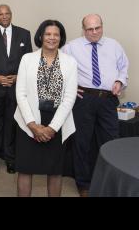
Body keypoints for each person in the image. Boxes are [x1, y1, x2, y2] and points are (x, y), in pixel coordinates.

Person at [63, 14, 129, 197]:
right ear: (83, 29)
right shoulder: (71, 47)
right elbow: (60, 69)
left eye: (97, 28)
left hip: (108, 99)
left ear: (102, 26)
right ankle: (83, 184)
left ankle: (111, 182)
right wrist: (69, 87)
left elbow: (124, 67)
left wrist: (119, 81)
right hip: (84, 99)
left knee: (111, 141)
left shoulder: (114, 45)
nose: (94, 32)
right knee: (81, 143)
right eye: (90, 29)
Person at [14, 20, 77, 197]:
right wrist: (33, 125)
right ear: (41, 36)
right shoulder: (27, 59)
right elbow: (21, 93)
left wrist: (52, 128)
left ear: (61, 37)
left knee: (55, 171)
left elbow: (69, 98)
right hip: (29, 120)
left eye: (56, 34)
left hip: (57, 121)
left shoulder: (70, 62)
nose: (52, 38)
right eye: (48, 34)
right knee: (26, 169)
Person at [0, 4, 33, 174]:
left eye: (7, 13)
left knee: (12, 125)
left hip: (15, 87)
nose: (4, 16)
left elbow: (28, 60)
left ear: (11, 15)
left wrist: (18, 76)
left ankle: (10, 159)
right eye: (1, 14)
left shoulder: (24, 33)